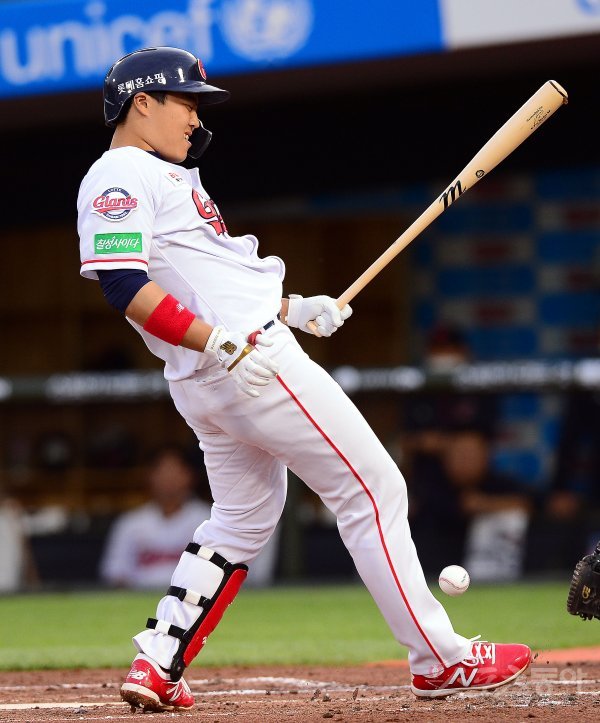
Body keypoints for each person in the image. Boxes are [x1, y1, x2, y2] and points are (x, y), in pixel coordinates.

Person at [77, 47, 531, 711]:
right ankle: (441, 658)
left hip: (219, 371)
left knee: (240, 520)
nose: (197, 117)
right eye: (186, 101)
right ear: (142, 102)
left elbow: (208, 279)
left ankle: (158, 661)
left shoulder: (165, 175)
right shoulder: (120, 172)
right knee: (372, 488)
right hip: (246, 363)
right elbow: (126, 287)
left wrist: (293, 308)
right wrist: (224, 341)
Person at [100, 445, 278, 589]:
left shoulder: (210, 519)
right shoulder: (130, 523)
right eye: (162, 470)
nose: (169, 478)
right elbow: (115, 574)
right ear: (150, 476)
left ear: (189, 476)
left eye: (175, 470)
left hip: (193, 602)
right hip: (138, 600)